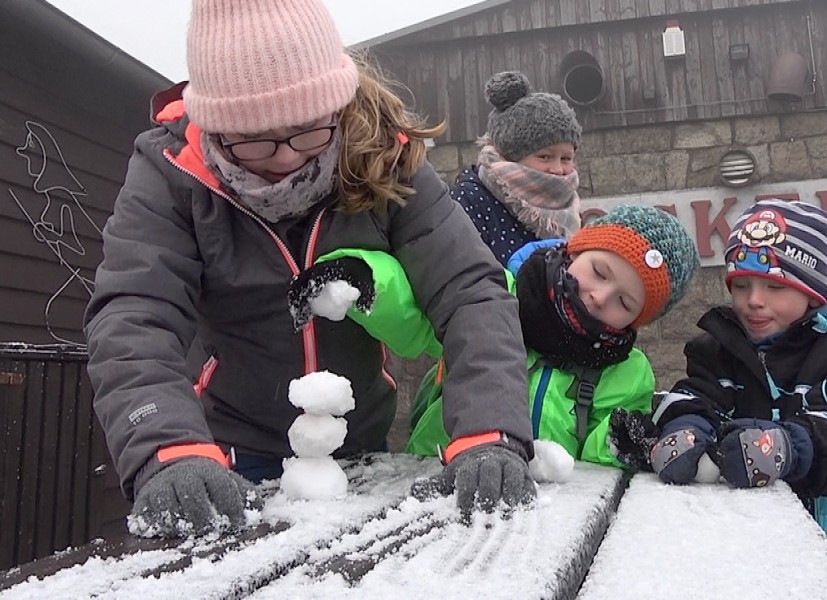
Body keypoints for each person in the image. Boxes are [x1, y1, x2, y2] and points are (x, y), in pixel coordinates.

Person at [84, 0, 536, 538]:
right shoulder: (170, 175)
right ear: (213, 125)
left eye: (306, 130)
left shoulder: (384, 157)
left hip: (359, 450)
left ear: (334, 107)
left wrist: (489, 430)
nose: (285, 158)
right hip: (225, 456)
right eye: (253, 138)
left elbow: (470, 293)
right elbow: (135, 313)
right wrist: (167, 446)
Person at [647, 199, 827, 597]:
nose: (753, 300)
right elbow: (695, 396)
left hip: (824, 541)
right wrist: (682, 427)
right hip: (729, 544)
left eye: (775, 287)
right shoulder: (714, 351)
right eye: (741, 285)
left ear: (812, 293)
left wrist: (789, 448)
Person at [403, 204, 699, 466]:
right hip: (436, 467)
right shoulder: (495, 297)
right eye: (599, 271)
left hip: (548, 506)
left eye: (624, 303)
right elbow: (412, 316)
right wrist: (375, 284)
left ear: (636, 321)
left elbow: (596, 461)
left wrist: (618, 440)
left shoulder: (627, 372)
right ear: (576, 250)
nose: (599, 296)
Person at [451, 70, 583, 267]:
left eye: (566, 158)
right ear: (511, 155)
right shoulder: (471, 199)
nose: (558, 170)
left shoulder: (569, 205)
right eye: (545, 156)